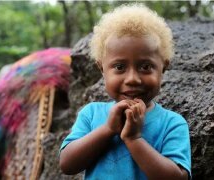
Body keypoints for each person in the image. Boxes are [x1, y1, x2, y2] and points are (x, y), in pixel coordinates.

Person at [59, 4, 191, 180]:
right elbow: (67, 164)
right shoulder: (91, 114)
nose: (132, 79)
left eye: (146, 67)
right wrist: (108, 129)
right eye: (120, 67)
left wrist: (134, 139)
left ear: (163, 68)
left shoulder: (172, 124)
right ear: (102, 69)